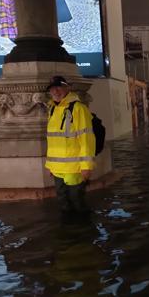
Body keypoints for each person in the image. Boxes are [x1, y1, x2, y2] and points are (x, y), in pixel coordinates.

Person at [45, 76, 96, 215]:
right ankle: (69, 230)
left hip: (74, 168)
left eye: (58, 87)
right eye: (52, 89)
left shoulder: (78, 108)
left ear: (67, 87)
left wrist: (86, 166)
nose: (55, 91)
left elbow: (86, 138)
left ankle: (84, 229)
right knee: (63, 201)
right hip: (57, 168)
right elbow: (53, 140)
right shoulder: (52, 109)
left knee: (77, 200)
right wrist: (50, 165)